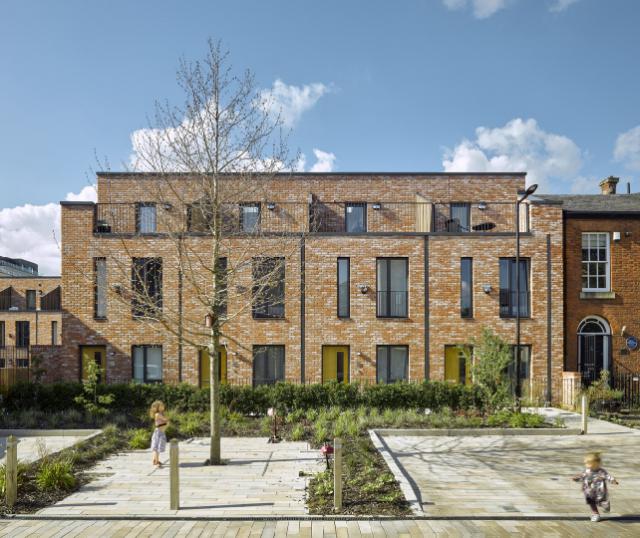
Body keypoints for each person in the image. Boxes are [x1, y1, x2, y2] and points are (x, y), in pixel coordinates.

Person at [572, 452, 619, 522]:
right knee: (591, 502)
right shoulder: (587, 471)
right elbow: (582, 476)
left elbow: (607, 476)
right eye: (586, 464)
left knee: (601, 501)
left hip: (600, 491)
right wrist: (576, 478)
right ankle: (596, 514)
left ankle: (605, 505)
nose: (586, 465)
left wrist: (613, 480)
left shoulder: (601, 472)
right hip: (589, 491)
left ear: (596, 464)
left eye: (588, 464)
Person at [149, 400, 169, 467]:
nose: (163, 406)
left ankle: (156, 460)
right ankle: (156, 461)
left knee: (158, 447)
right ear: (158, 407)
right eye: (161, 405)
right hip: (158, 433)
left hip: (162, 432)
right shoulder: (158, 414)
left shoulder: (161, 414)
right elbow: (165, 420)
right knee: (156, 447)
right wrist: (167, 421)